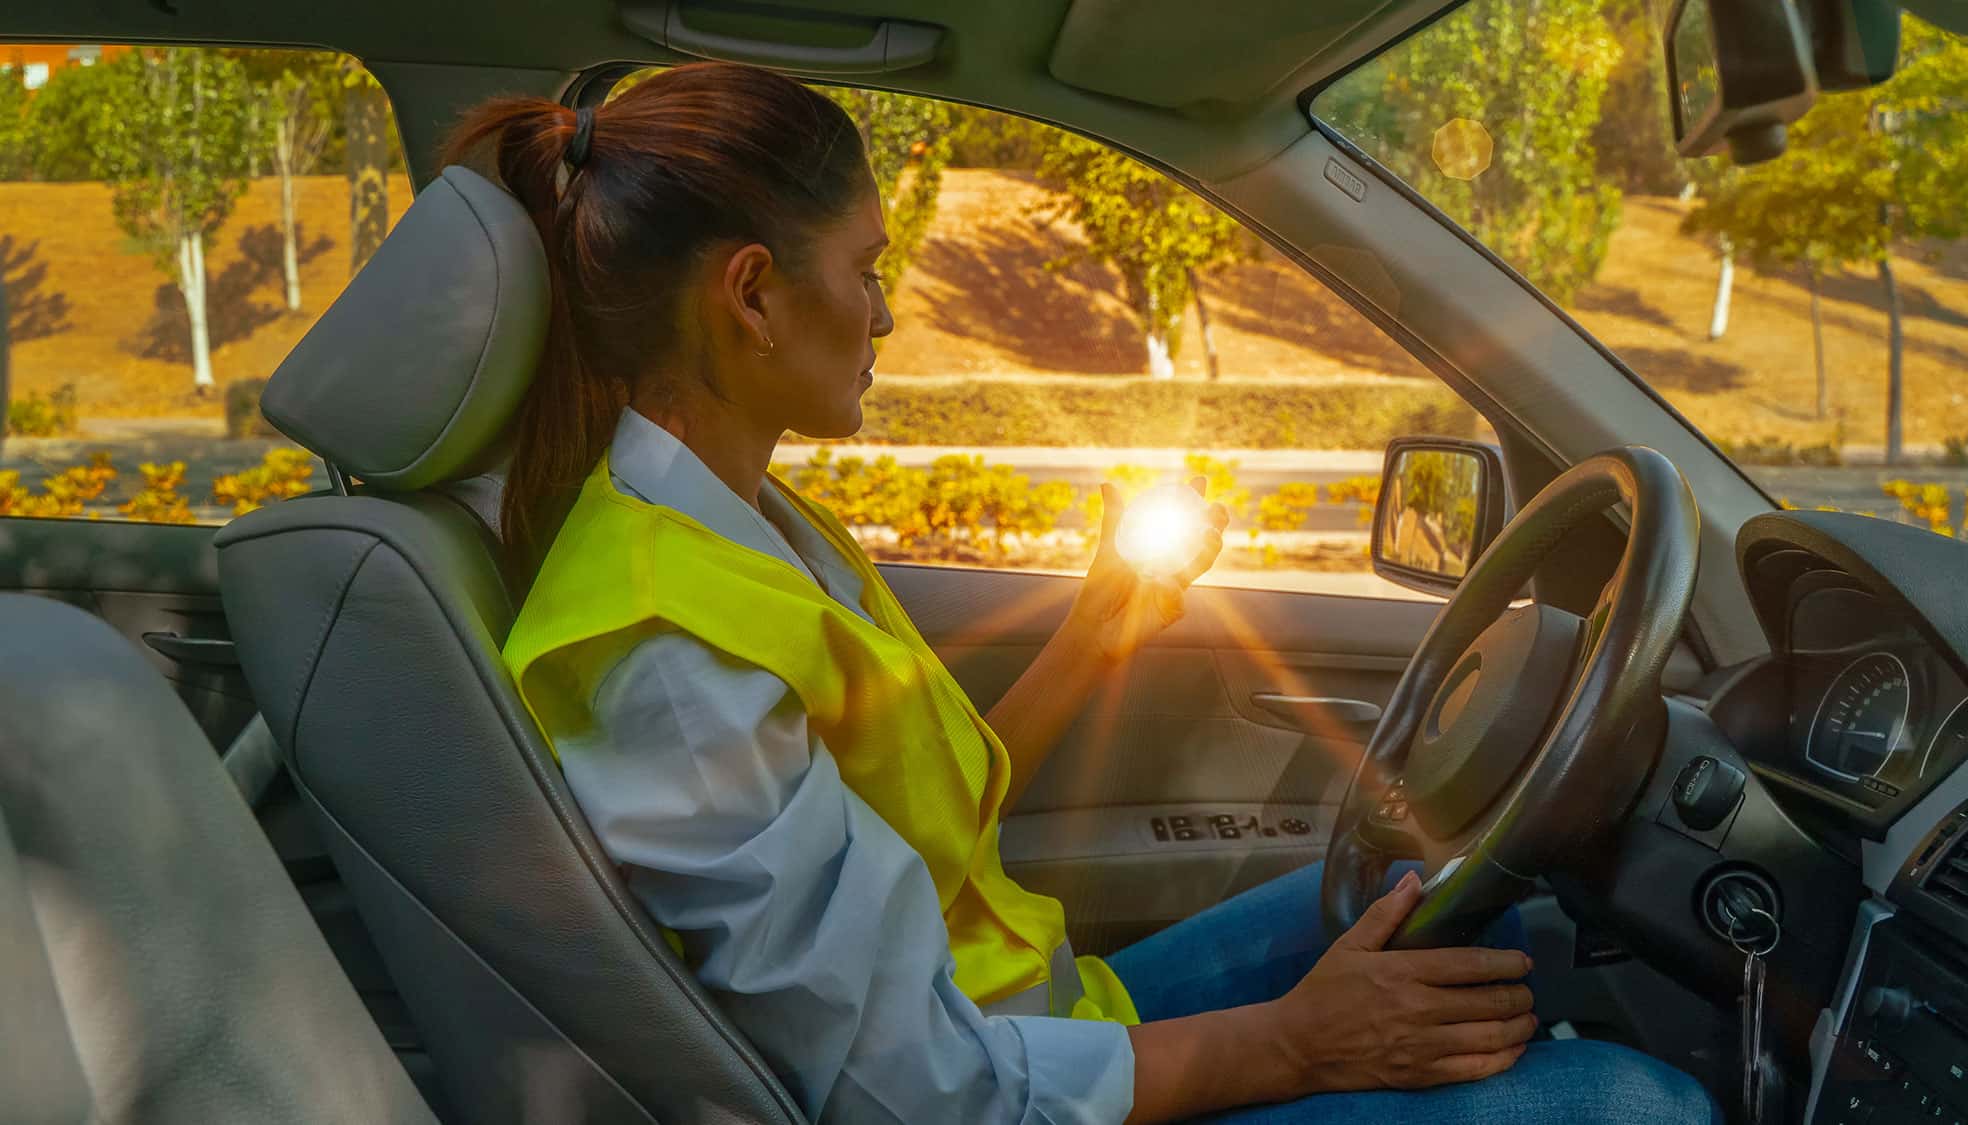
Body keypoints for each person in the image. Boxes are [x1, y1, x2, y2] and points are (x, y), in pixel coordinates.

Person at [477, 64, 1719, 1124]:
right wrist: (1296, 1048)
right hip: (996, 1083)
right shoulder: (669, 654)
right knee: (1630, 1106)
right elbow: (909, 1094)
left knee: (1455, 914)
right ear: (751, 295)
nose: (888, 313)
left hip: (1036, 1024)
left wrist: (1090, 637)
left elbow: (915, 826)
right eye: (865, 269)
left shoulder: (744, 526)